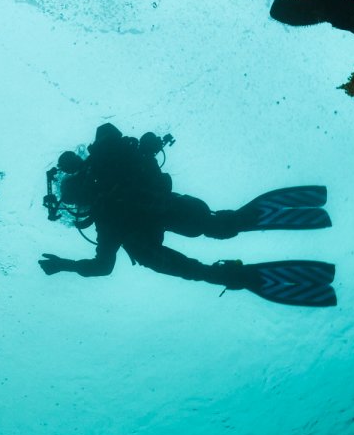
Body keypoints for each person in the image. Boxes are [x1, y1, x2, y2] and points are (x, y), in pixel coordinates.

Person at [39, 123, 336, 307]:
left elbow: (102, 266)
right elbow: (138, 147)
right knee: (219, 226)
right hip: (163, 206)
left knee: (195, 263)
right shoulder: (112, 175)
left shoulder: (103, 207)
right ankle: (231, 250)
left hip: (151, 218)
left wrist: (64, 265)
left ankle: (228, 273)